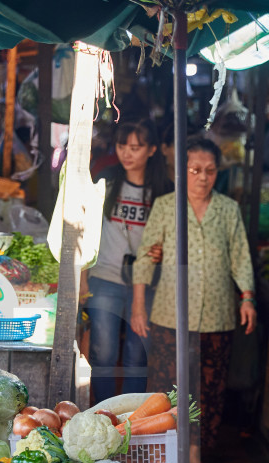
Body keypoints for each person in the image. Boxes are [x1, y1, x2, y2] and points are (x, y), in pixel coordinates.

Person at [131, 138, 256, 463]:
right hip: (170, 313)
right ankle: (162, 449)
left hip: (217, 315)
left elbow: (240, 256)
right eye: (195, 170)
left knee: (210, 386)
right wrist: (139, 306)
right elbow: (145, 256)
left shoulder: (228, 210)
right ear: (181, 172)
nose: (202, 177)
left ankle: (196, 453)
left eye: (210, 171)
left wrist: (247, 297)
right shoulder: (166, 206)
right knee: (166, 384)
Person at [86, 120, 172, 404]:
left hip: (147, 284)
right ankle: (104, 412)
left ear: (152, 150)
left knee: (138, 353)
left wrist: (165, 250)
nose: (127, 153)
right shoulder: (106, 180)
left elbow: (176, 236)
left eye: (136, 148)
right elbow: (85, 227)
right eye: (122, 146)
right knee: (104, 352)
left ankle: (131, 418)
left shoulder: (164, 190)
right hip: (105, 277)